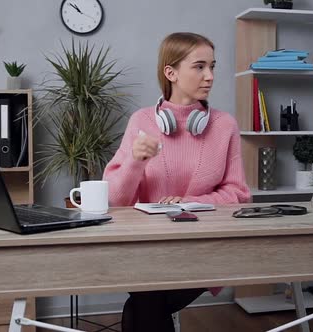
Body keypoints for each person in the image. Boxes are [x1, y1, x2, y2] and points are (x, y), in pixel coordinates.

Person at [103, 32, 251, 332]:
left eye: (212, 66)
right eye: (199, 67)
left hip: (205, 248)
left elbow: (239, 193)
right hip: (149, 248)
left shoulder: (224, 125)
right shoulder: (141, 122)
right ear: (171, 72)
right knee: (144, 302)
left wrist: (190, 203)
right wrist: (135, 160)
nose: (209, 76)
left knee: (143, 303)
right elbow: (115, 200)